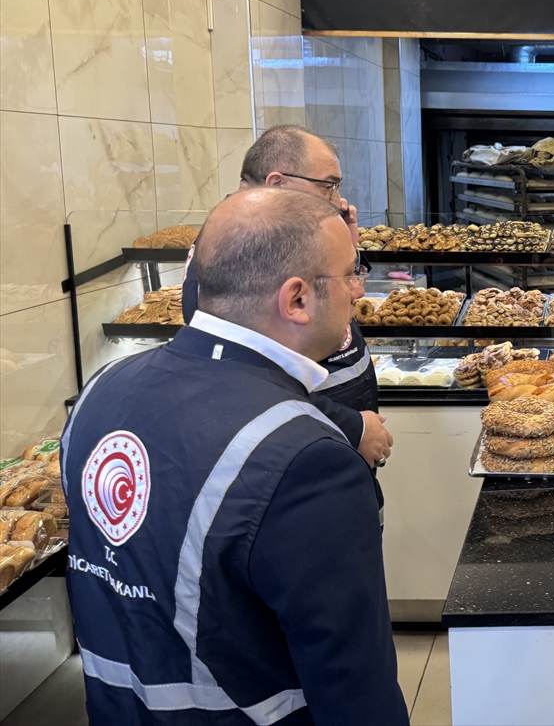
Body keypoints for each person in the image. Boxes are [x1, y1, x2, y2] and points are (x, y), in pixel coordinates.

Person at [63, 189, 408, 724]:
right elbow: (354, 690)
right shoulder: (309, 459)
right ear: (297, 299)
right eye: (350, 274)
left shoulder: (100, 394)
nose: (359, 290)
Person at [181, 125, 393, 481]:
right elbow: (242, 375)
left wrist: (345, 253)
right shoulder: (235, 250)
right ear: (277, 183)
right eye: (328, 185)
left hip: (333, 443)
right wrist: (351, 426)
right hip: (301, 453)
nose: (339, 200)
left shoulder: (286, 238)